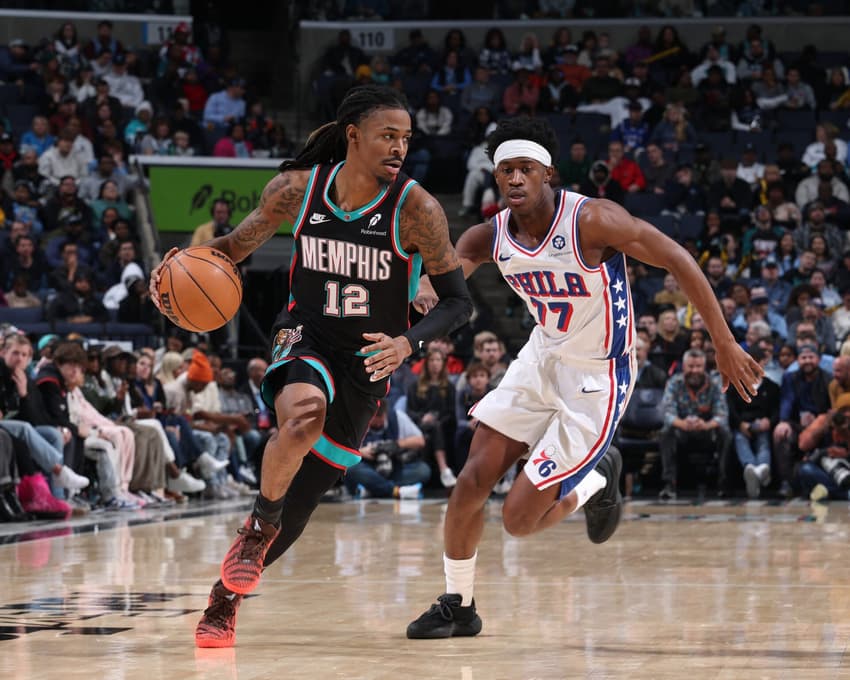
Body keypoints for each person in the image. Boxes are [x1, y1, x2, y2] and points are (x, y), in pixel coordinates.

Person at [405, 115, 763, 639]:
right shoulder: (491, 234)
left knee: (519, 520)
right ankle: (458, 604)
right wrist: (418, 291)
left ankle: (598, 479)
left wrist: (724, 341)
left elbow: (678, 259)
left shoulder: (593, 220)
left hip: (600, 374)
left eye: (525, 168)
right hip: (541, 357)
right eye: (505, 171)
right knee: (470, 483)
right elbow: (444, 277)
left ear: (548, 172)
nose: (514, 180)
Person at [148, 85, 472, 648]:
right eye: (387, 136)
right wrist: (180, 266)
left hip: (368, 361)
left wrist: (408, 344)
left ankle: (225, 597)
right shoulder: (297, 190)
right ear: (353, 136)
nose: (399, 147)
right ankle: (256, 528)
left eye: (405, 138)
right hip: (306, 334)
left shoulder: (417, 209)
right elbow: (231, 247)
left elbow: (458, 302)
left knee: (300, 507)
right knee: (301, 418)